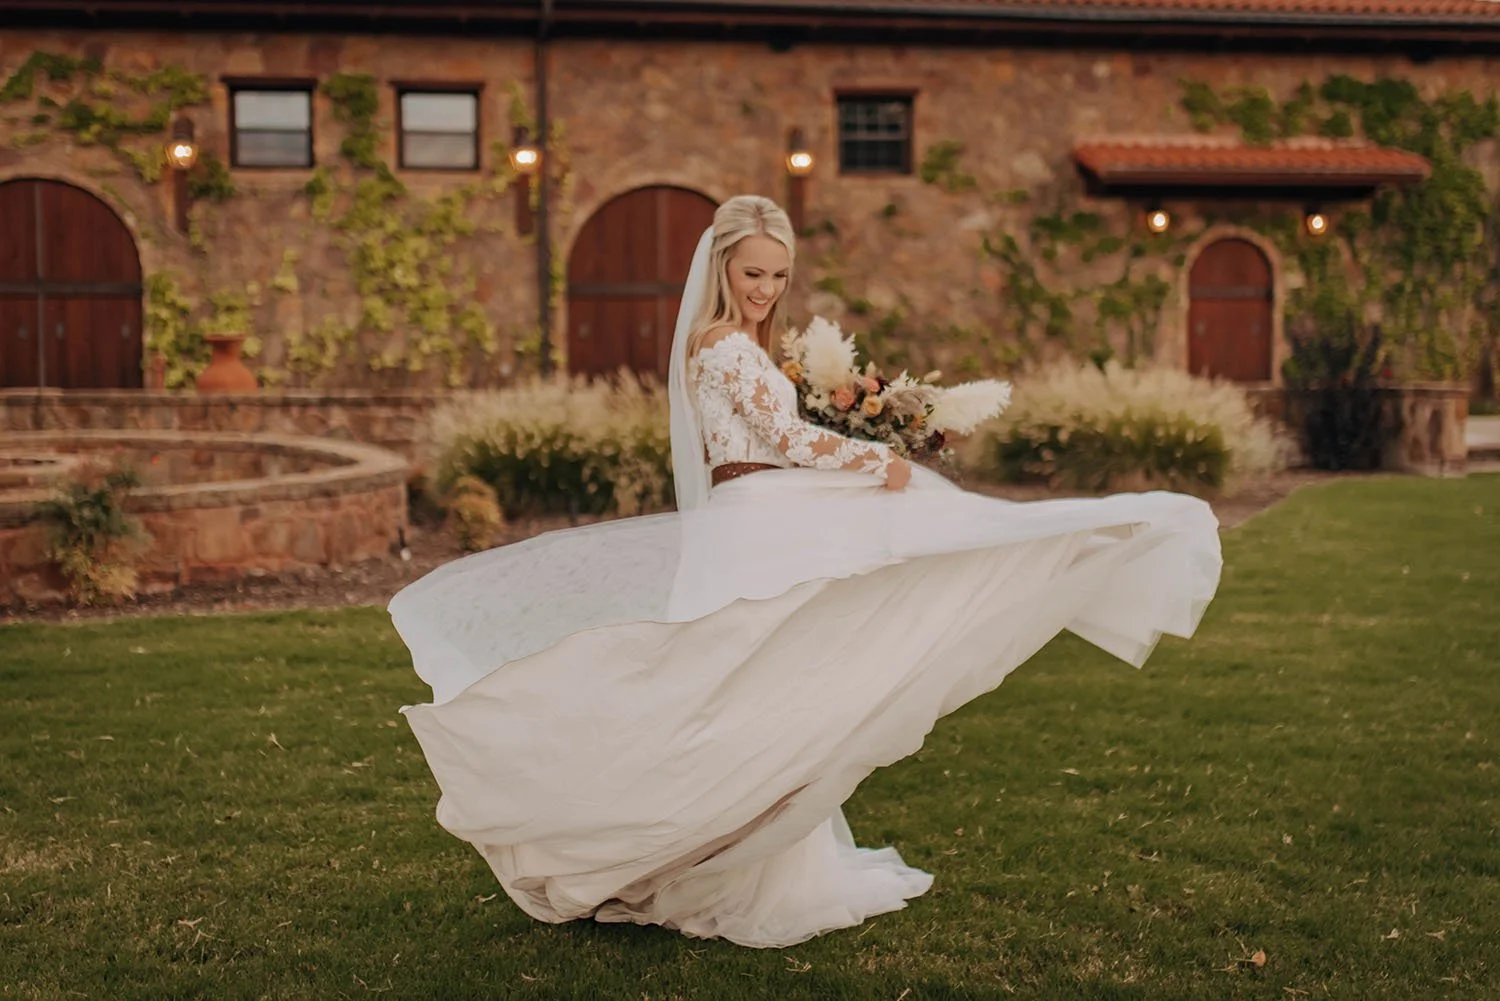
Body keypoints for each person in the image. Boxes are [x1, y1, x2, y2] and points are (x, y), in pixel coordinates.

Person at [390, 195, 1221, 949]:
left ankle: (748, 854)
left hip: (761, 515)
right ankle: (1088, 537)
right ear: (721, 268)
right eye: (752, 272)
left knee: (772, 682)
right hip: (761, 519)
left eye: (778, 275)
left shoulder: (739, 349)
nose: (764, 288)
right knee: (770, 673)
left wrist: (859, 438)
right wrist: (872, 459)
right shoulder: (725, 350)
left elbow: (776, 432)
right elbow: (786, 444)